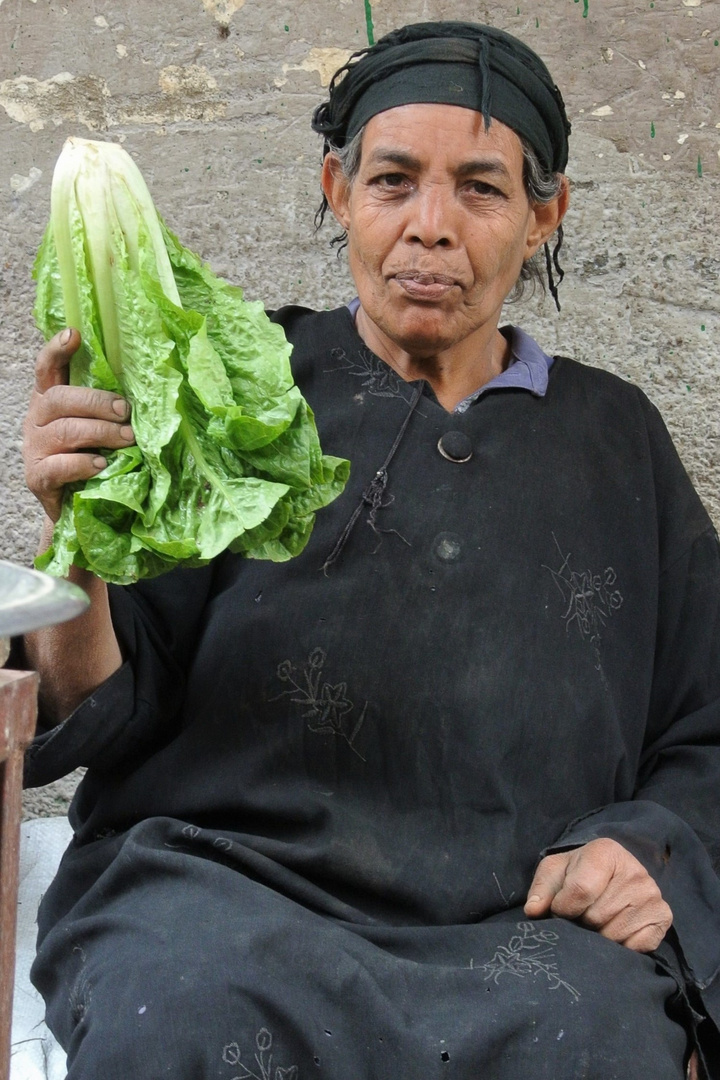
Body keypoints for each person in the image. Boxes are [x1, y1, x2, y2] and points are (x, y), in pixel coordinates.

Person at [18, 20, 720, 1080]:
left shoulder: (614, 437)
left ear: (546, 215)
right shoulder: (239, 391)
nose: (430, 228)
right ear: (339, 190)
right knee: (179, 1018)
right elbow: (103, 702)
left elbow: (707, 721)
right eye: (394, 180)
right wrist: (76, 532)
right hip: (228, 900)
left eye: (481, 190)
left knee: (607, 1042)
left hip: (516, 934)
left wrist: (654, 846)